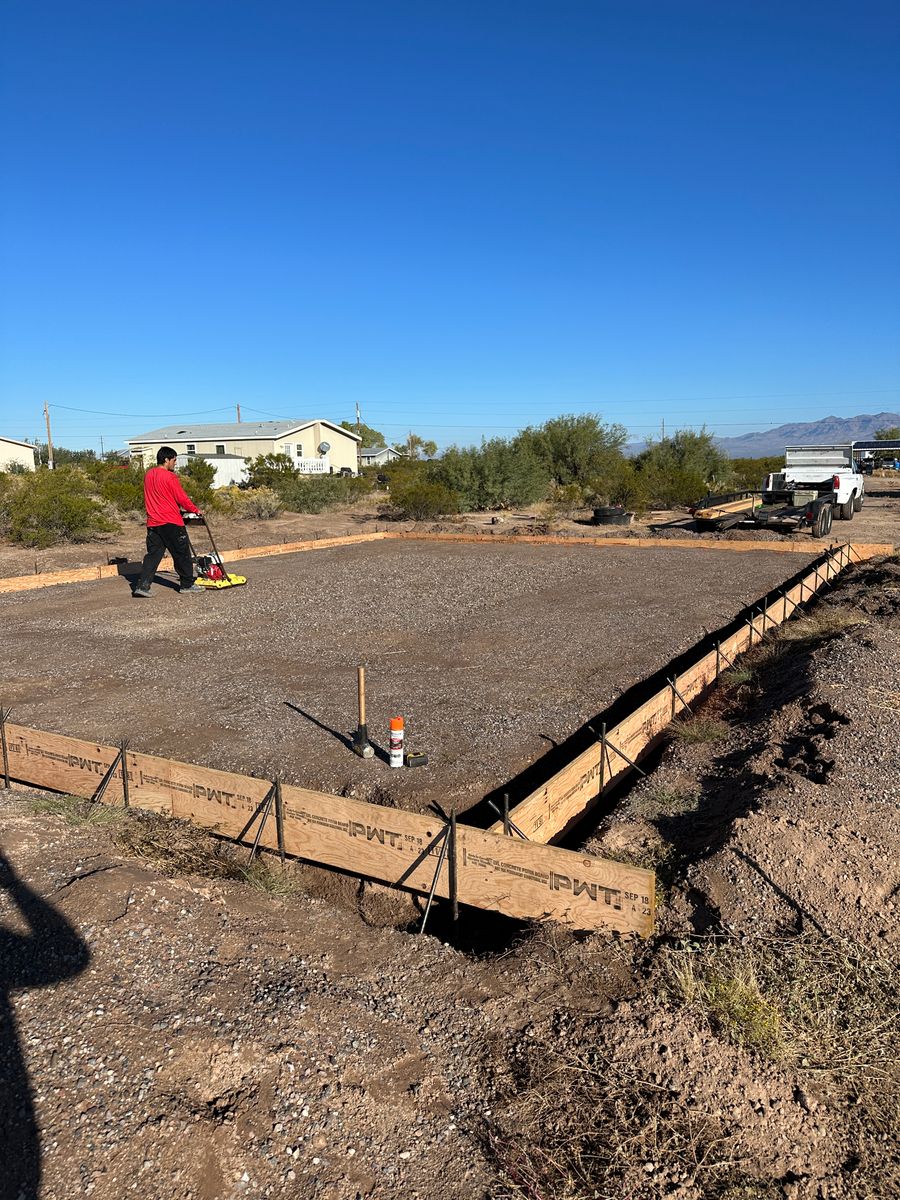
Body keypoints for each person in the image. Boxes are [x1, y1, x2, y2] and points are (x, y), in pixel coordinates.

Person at [132, 447, 205, 596]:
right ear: (166, 460)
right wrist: (195, 510)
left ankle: (143, 586)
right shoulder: (170, 477)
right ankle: (187, 584)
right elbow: (181, 498)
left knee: (153, 555)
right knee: (182, 554)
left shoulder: (148, 475)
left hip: (153, 523)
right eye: (174, 460)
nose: (175, 463)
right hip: (171, 522)